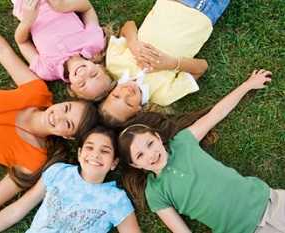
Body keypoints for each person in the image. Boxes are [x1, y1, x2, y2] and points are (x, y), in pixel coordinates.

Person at [0, 3, 97, 233]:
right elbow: (4, 53)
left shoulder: (33, 159)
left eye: (68, 123)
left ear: (69, 136)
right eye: (66, 108)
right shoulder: (36, 91)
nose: (58, 115)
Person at [117, 70, 284, 233]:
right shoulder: (154, 193)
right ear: (135, 165)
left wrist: (247, 85)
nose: (151, 154)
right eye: (140, 155)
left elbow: (216, 113)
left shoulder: (182, 142)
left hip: (269, 202)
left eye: (150, 143)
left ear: (158, 138)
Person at [0, 126, 142, 233]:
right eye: (89, 147)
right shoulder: (59, 172)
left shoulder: (116, 199)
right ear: (80, 154)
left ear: (114, 163)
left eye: (105, 151)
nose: (95, 154)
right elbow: (18, 209)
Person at [99, 0, 230, 126]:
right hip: (205, 14)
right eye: (129, 103)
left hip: (171, 3)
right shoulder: (163, 96)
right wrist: (171, 63)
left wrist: (133, 44)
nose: (126, 93)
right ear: (138, 111)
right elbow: (202, 67)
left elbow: (129, 25)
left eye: (116, 96)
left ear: (110, 91)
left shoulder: (114, 65)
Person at [12, 0, 113, 100]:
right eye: (94, 74)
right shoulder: (94, 43)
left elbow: (22, 42)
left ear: (72, 88)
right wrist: (62, 6)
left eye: (82, 84)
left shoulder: (47, 70)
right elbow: (87, 8)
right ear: (100, 67)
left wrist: (27, 21)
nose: (83, 74)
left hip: (26, 4)